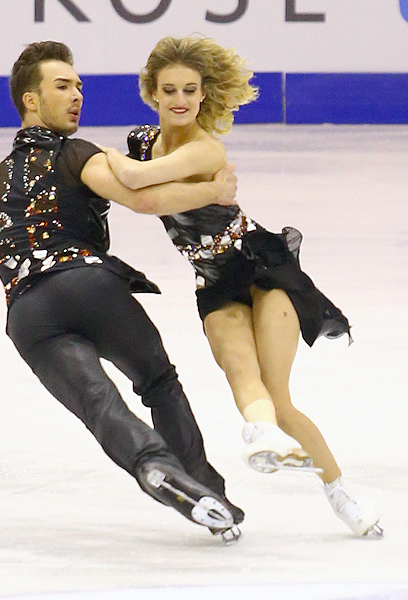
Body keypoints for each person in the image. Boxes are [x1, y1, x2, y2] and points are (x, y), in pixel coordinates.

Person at [0, 40, 245, 543]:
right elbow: (143, 199)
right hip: (88, 285)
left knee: (100, 407)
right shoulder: (78, 155)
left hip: (29, 317)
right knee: (157, 381)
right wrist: (212, 192)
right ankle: (206, 487)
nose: (77, 96)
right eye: (63, 86)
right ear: (31, 100)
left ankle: (155, 469)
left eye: (79, 87)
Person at [99, 35, 383, 537]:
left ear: (204, 94)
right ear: (153, 93)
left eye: (190, 89)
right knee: (239, 373)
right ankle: (261, 439)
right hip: (212, 281)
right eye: (170, 90)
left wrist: (87, 153)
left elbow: (138, 182)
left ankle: (340, 494)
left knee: (278, 394)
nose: (180, 100)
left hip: (258, 268)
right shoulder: (143, 139)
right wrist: (207, 191)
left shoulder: (206, 148)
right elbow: (138, 184)